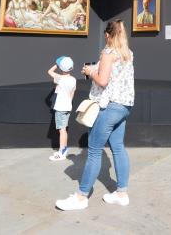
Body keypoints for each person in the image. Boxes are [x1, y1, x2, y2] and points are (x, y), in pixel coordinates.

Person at [55, 19, 135, 211]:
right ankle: (121, 194)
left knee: (93, 151)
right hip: (125, 106)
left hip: (109, 107)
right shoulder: (128, 53)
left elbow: (103, 81)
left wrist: (91, 71)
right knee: (117, 147)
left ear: (108, 35)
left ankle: (81, 197)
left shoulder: (107, 53)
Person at [47, 56, 76, 161]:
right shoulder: (73, 79)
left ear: (61, 68)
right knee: (64, 130)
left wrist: (57, 63)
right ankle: (63, 149)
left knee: (62, 130)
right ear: (71, 68)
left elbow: (49, 71)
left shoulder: (60, 79)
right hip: (68, 107)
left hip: (60, 108)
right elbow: (72, 94)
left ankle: (62, 152)